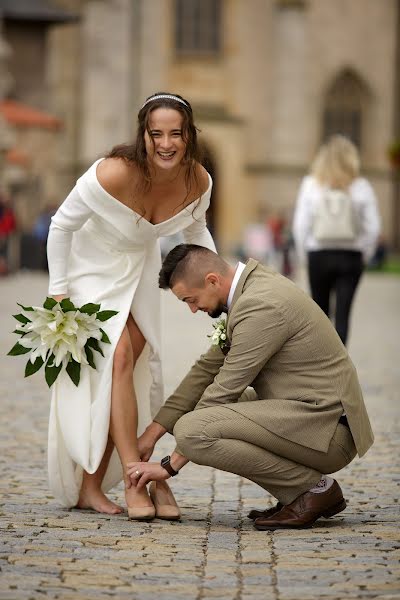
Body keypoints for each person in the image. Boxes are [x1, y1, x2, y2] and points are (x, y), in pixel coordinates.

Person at [46, 93, 216, 519]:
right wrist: (58, 292)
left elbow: (198, 236)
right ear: (143, 135)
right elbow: (61, 225)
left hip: (139, 273)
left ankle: (90, 488)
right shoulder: (112, 173)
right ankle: (135, 478)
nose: (165, 143)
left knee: (125, 371)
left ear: (188, 135)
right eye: (155, 133)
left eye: (175, 133)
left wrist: (221, 289)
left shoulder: (198, 182)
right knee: (118, 355)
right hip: (91, 271)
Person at [126, 244, 374, 530]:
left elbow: (224, 389)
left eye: (190, 300)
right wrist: (151, 434)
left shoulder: (260, 305)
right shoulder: (249, 290)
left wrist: (169, 465)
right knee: (194, 413)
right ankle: (299, 491)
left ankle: (312, 490)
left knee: (193, 430)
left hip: (328, 431)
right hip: (305, 414)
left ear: (212, 280)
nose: (193, 310)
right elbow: (205, 371)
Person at [292, 135, 380, 345]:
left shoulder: (311, 184)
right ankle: (339, 368)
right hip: (350, 256)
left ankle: (320, 367)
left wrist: (305, 255)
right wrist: (364, 254)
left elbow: (300, 225)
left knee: (319, 316)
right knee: (343, 317)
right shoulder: (361, 186)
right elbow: (373, 228)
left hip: (318, 254)